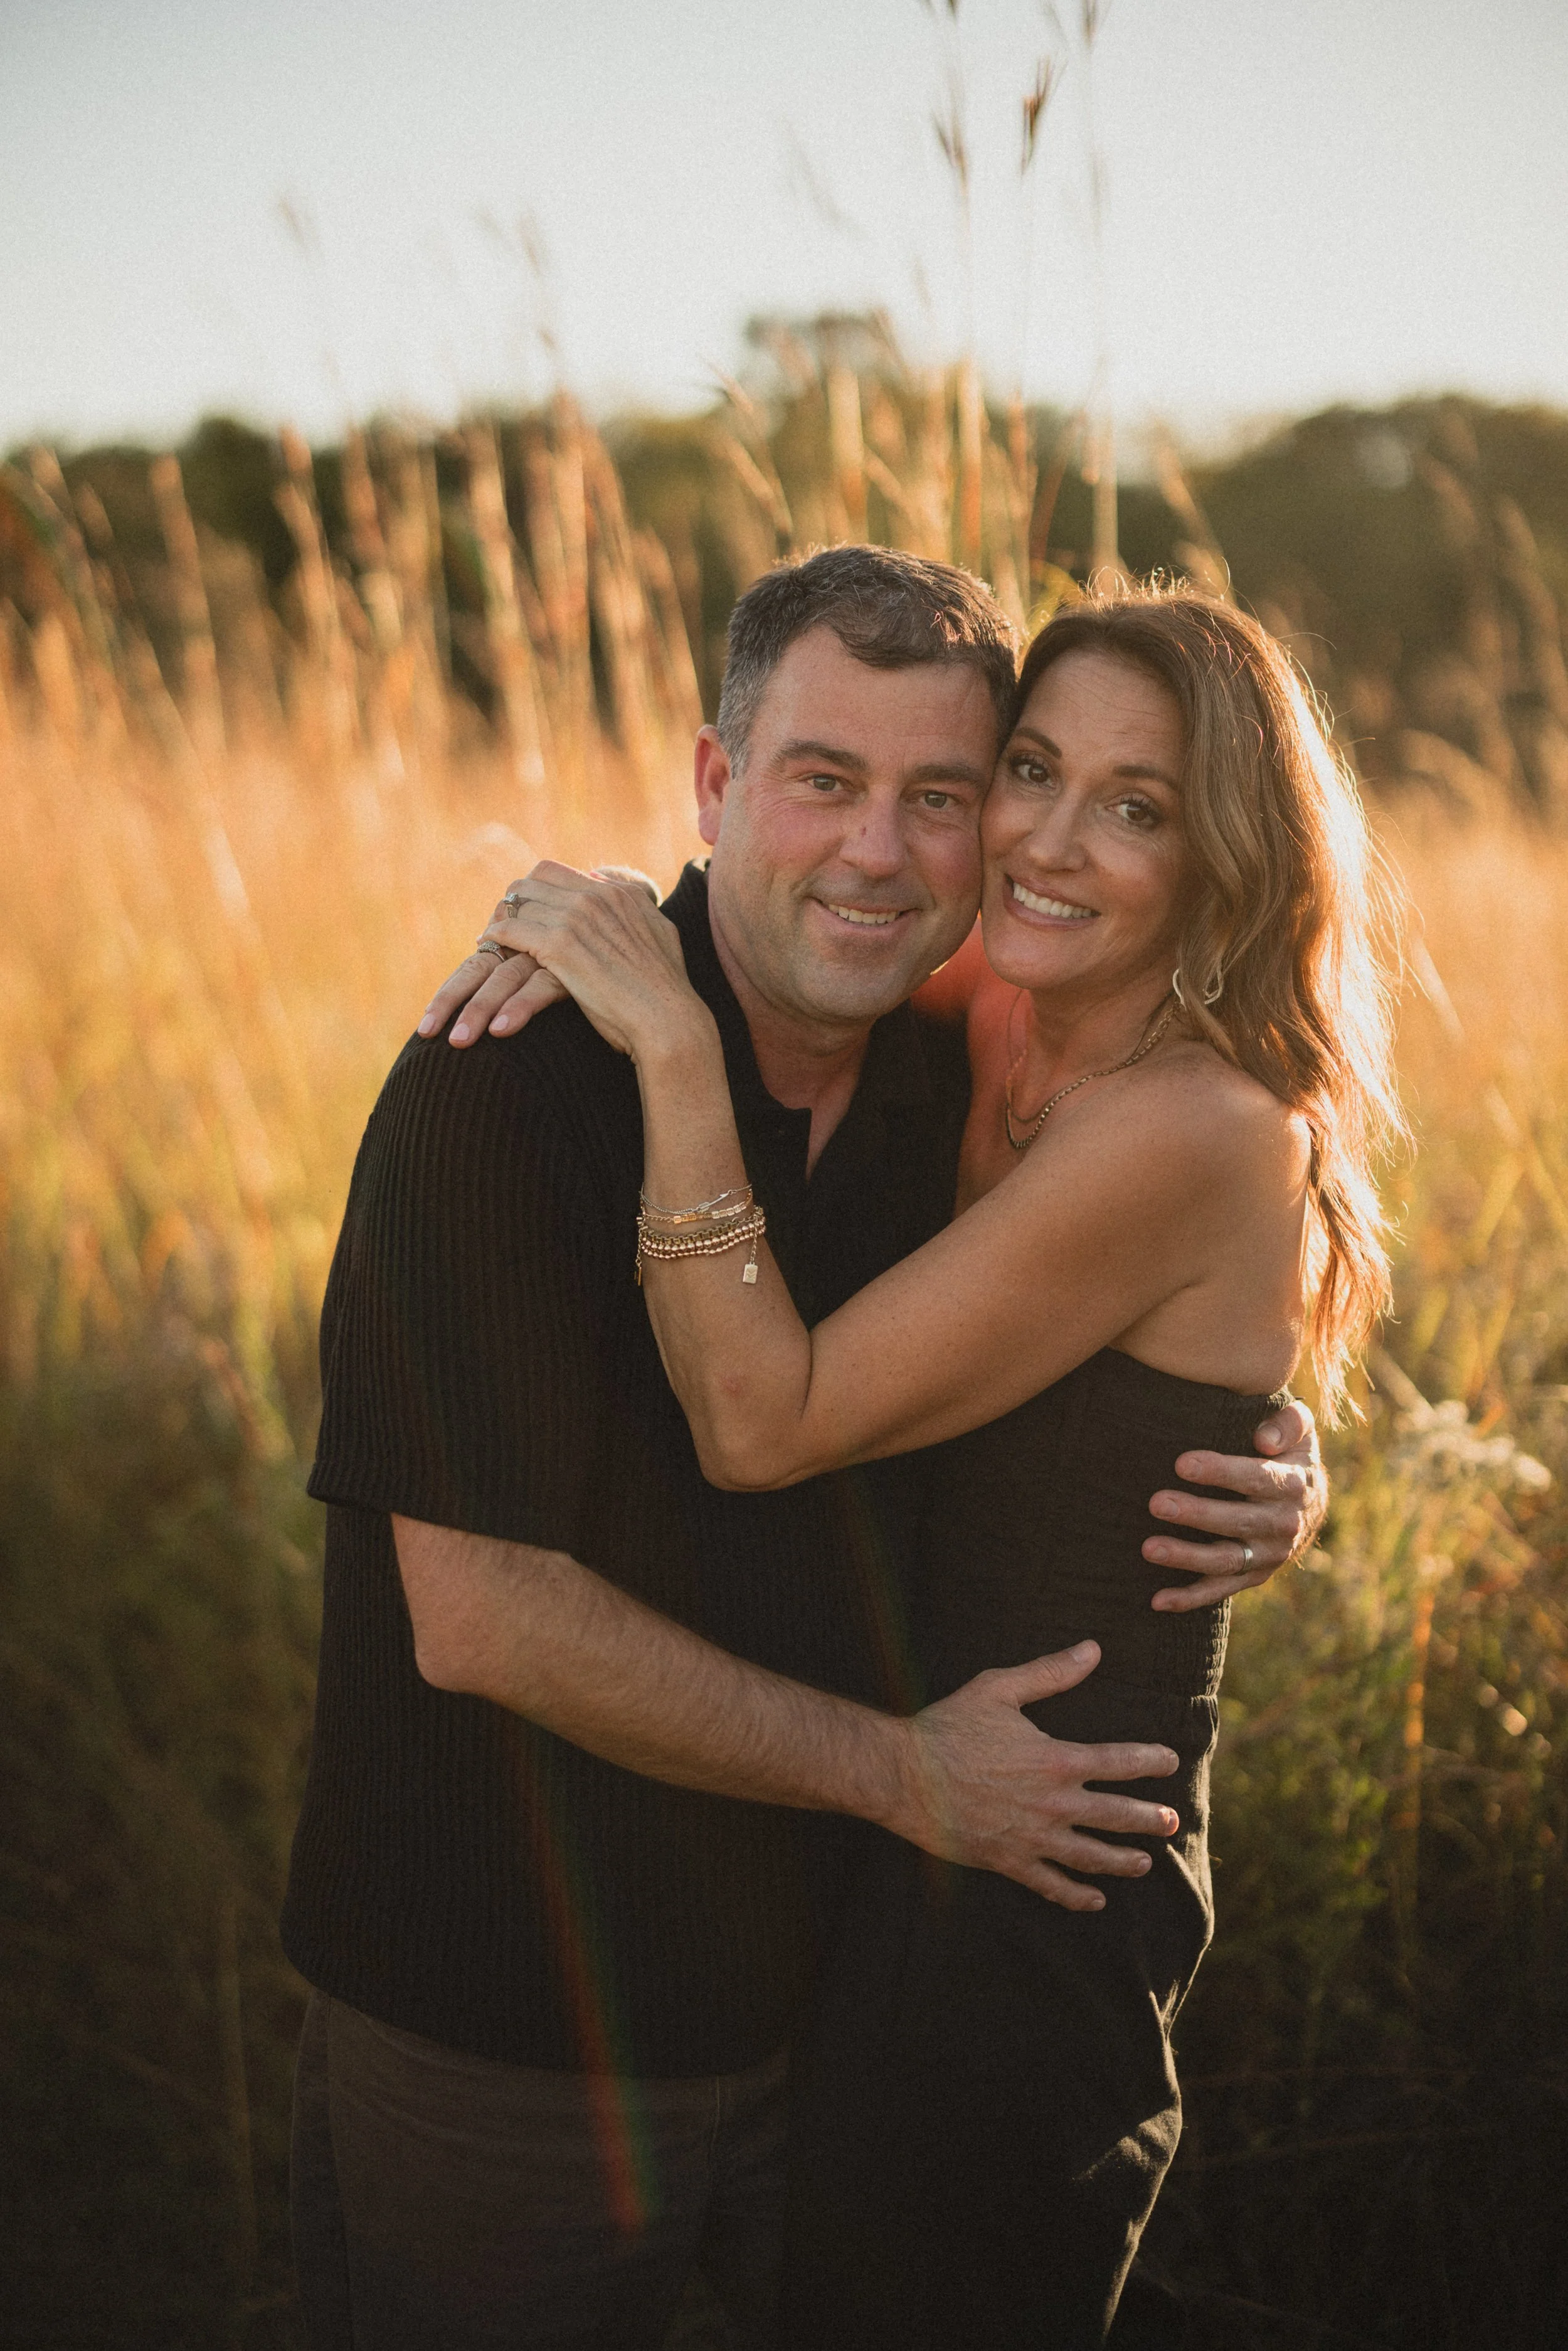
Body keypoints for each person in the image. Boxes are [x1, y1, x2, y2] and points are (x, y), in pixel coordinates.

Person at [284, 548, 1324, 2351]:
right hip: (511, 2028)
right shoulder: (508, 1078)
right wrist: (900, 1773)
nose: (884, 852)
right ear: (713, 783)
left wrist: (1261, 1434)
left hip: (838, 1993)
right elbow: (482, 1618)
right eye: (823, 781)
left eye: (940, 792)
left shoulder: (955, 1068)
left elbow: (1144, 1263)